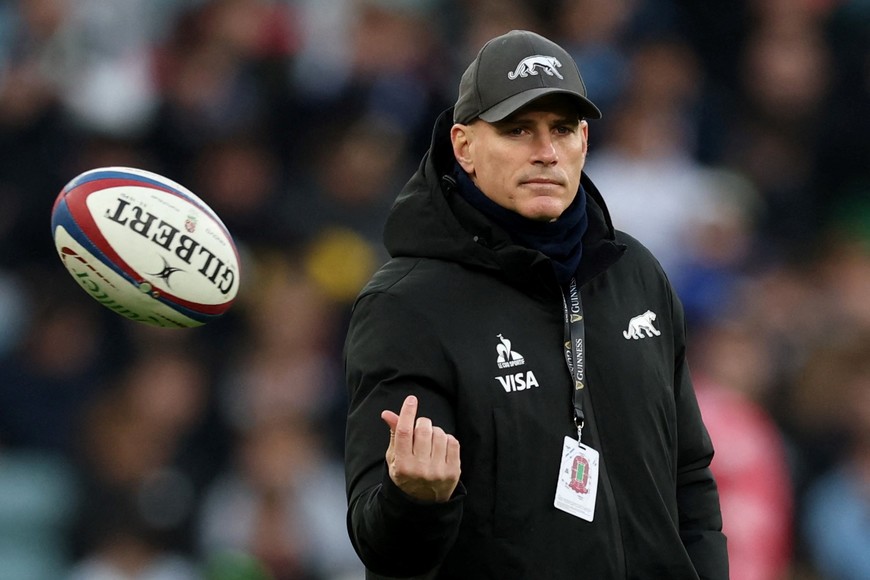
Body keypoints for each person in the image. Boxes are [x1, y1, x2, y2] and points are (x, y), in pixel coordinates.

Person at [343, 29, 728, 579]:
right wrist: (415, 502)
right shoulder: (406, 306)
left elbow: (689, 476)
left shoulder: (635, 274)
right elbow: (383, 548)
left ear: (585, 143)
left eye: (562, 130)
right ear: (463, 146)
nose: (545, 152)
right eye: (518, 130)